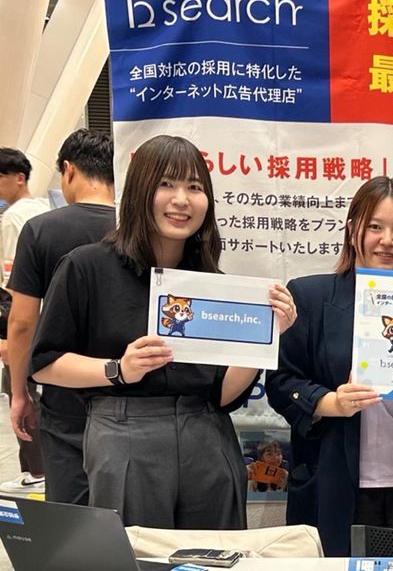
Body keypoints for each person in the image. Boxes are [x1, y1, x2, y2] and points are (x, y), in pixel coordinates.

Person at [29, 135, 296, 529]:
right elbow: (45, 364)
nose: (182, 200)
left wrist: (265, 337)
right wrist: (118, 369)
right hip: (123, 431)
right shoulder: (87, 267)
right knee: (136, 552)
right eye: (166, 184)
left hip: (207, 433)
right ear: (139, 190)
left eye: (195, 187)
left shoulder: (211, 283)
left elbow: (222, 394)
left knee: (215, 552)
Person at [265, 176, 393, 556]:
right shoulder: (310, 295)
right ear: (352, 228)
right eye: (375, 226)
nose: (387, 240)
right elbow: (280, 382)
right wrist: (332, 403)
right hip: (332, 485)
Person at [6, 129, 114, 505]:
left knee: (72, 512)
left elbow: (22, 323)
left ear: (68, 170)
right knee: (129, 512)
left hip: (64, 395)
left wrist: (20, 393)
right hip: (131, 397)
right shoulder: (141, 228)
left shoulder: (41, 230)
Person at [0, 147, 50, 495]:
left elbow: (12, 288)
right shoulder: (46, 210)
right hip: (51, 318)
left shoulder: (14, 219)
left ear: (19, 178)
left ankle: (37, 471)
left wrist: (7, 337)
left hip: (24, 319)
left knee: (20, 391)